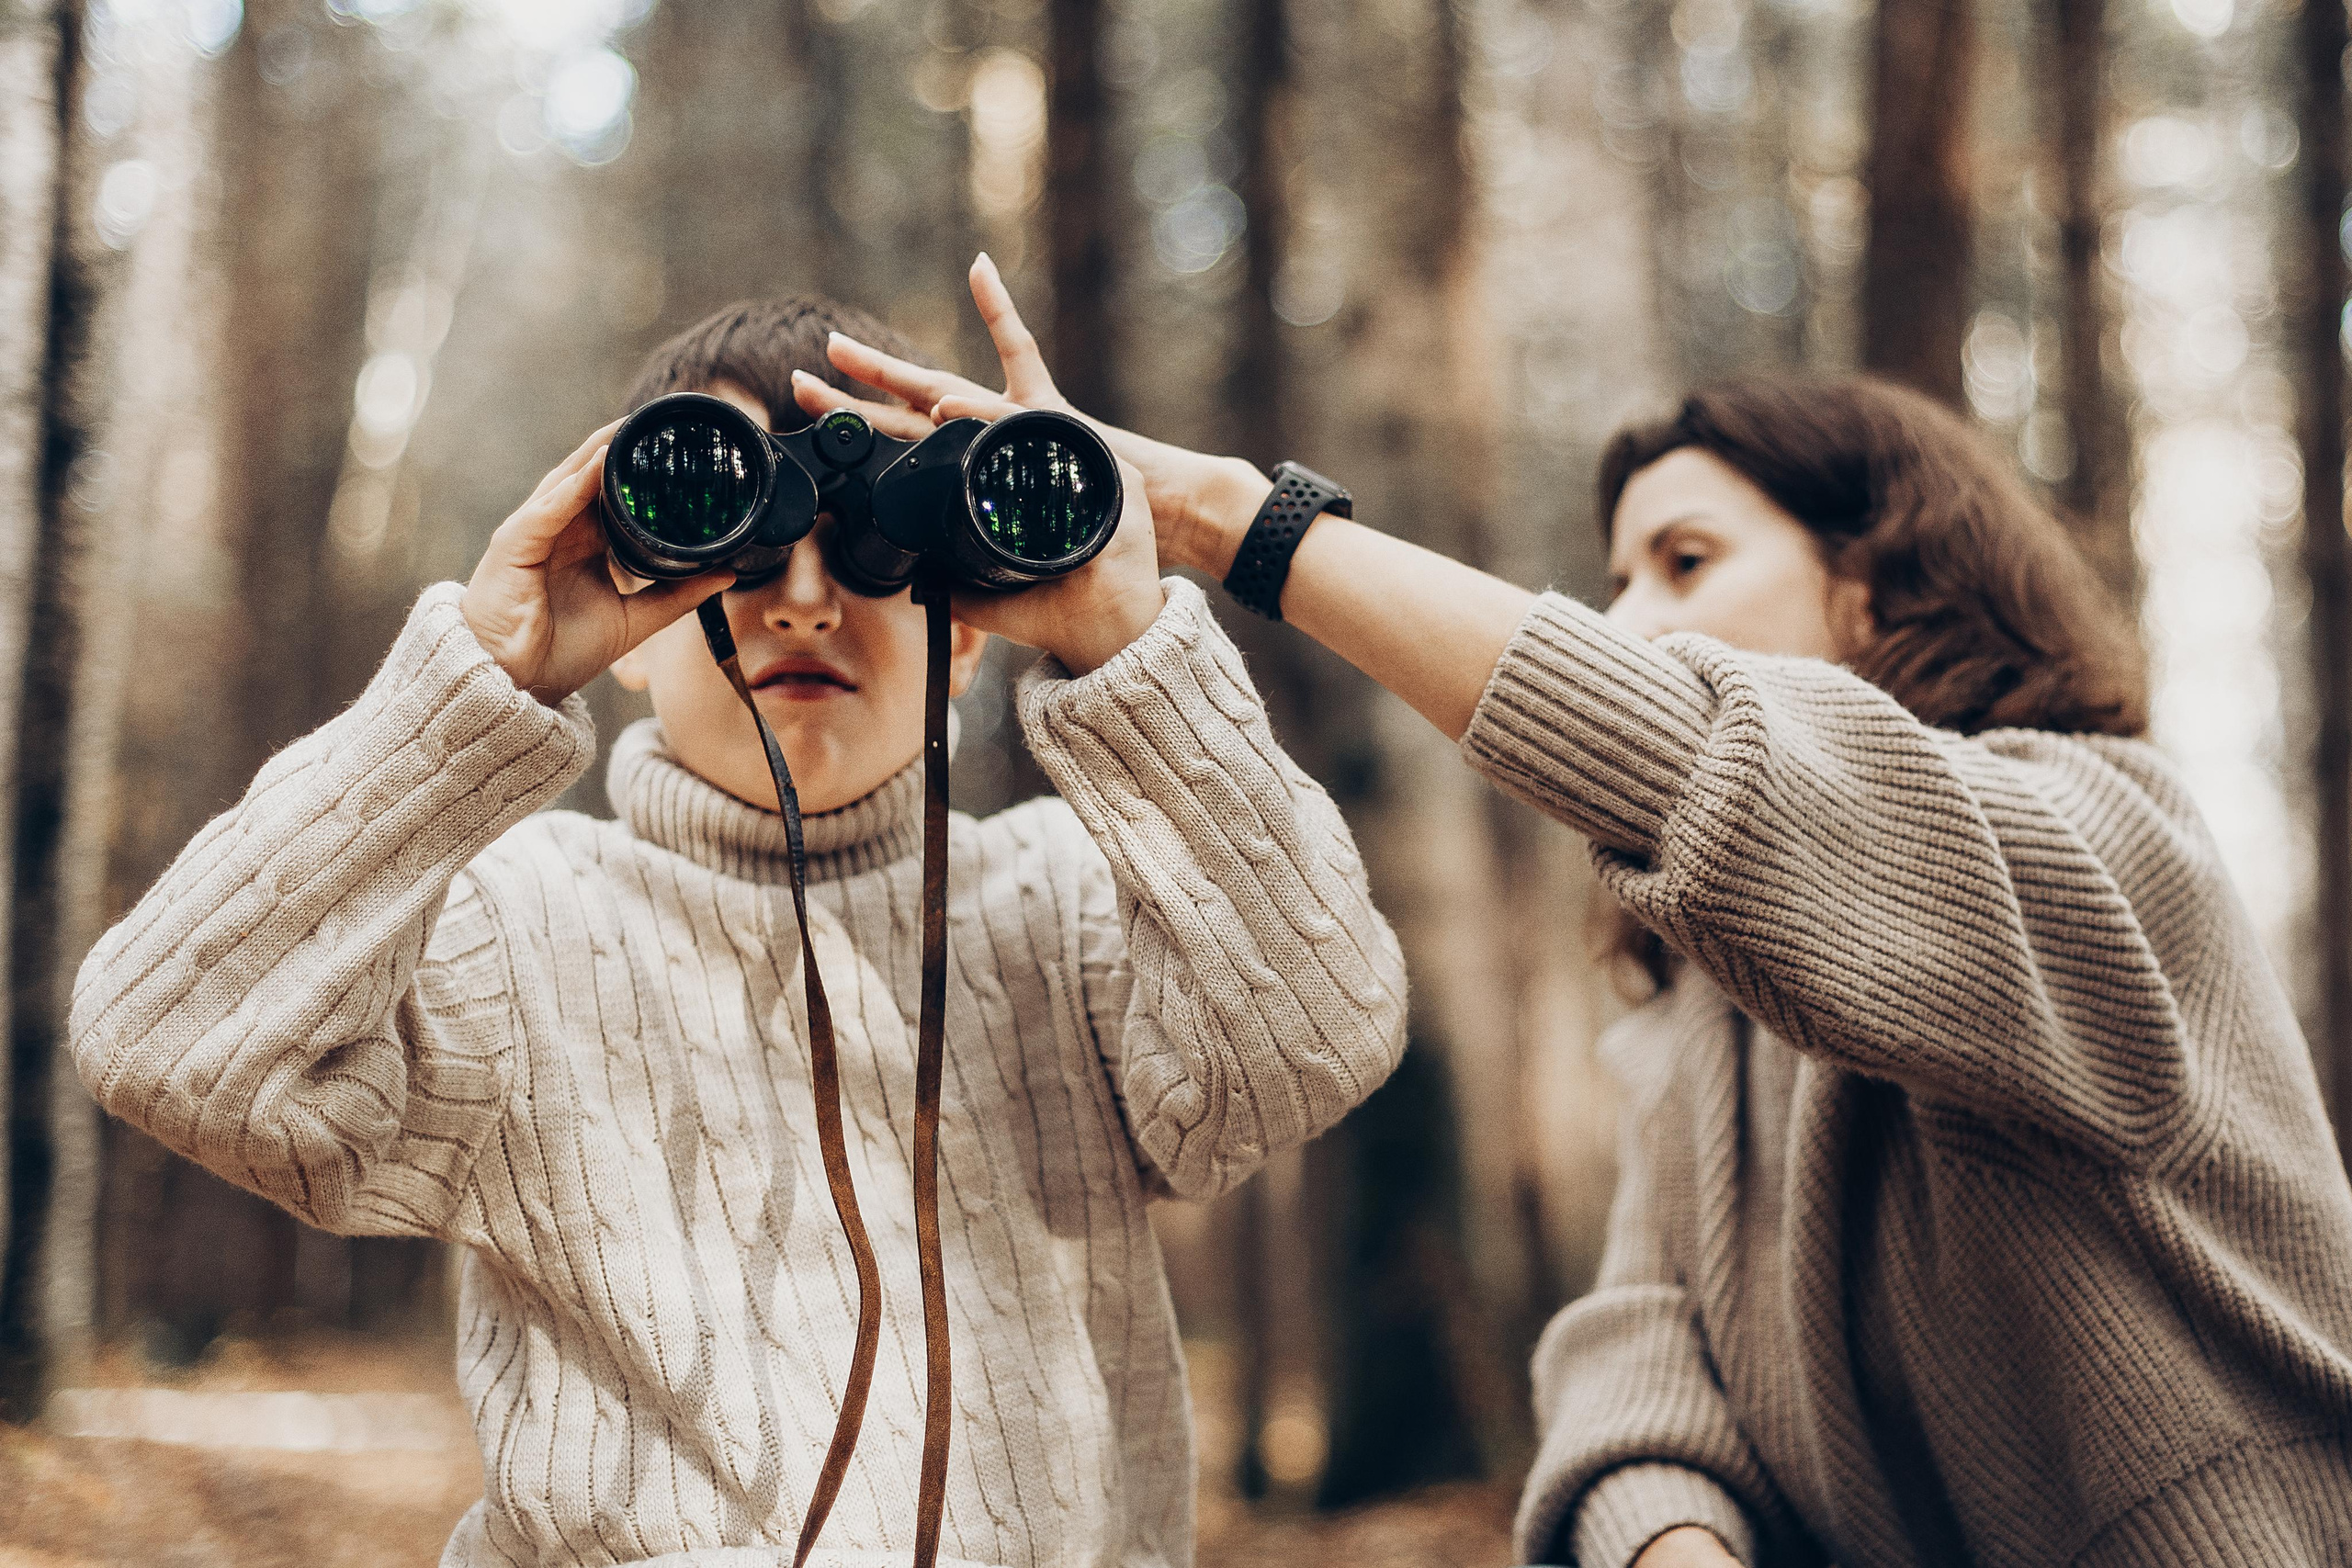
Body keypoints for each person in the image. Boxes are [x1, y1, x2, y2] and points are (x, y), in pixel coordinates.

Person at [805, 256, 2352, 1568]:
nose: (1635, 619)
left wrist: (1234, 528)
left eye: (1686, 560)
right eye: (1616, 580)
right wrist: (1673, 1543)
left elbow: (1711, 762)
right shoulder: (1703, 1012)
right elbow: (1641, 1364)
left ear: (1885, 585)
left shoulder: (2104, 842)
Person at [68, 297, 1409, 1568]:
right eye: (740, 543)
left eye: (876, 549)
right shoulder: (516, 924)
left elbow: (1318, 1039)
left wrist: (1127, 650)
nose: (807, 599)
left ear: (967, 624)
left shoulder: (1071, 905)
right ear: (636, 628)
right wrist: (476, 685)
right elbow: (166, 1042)